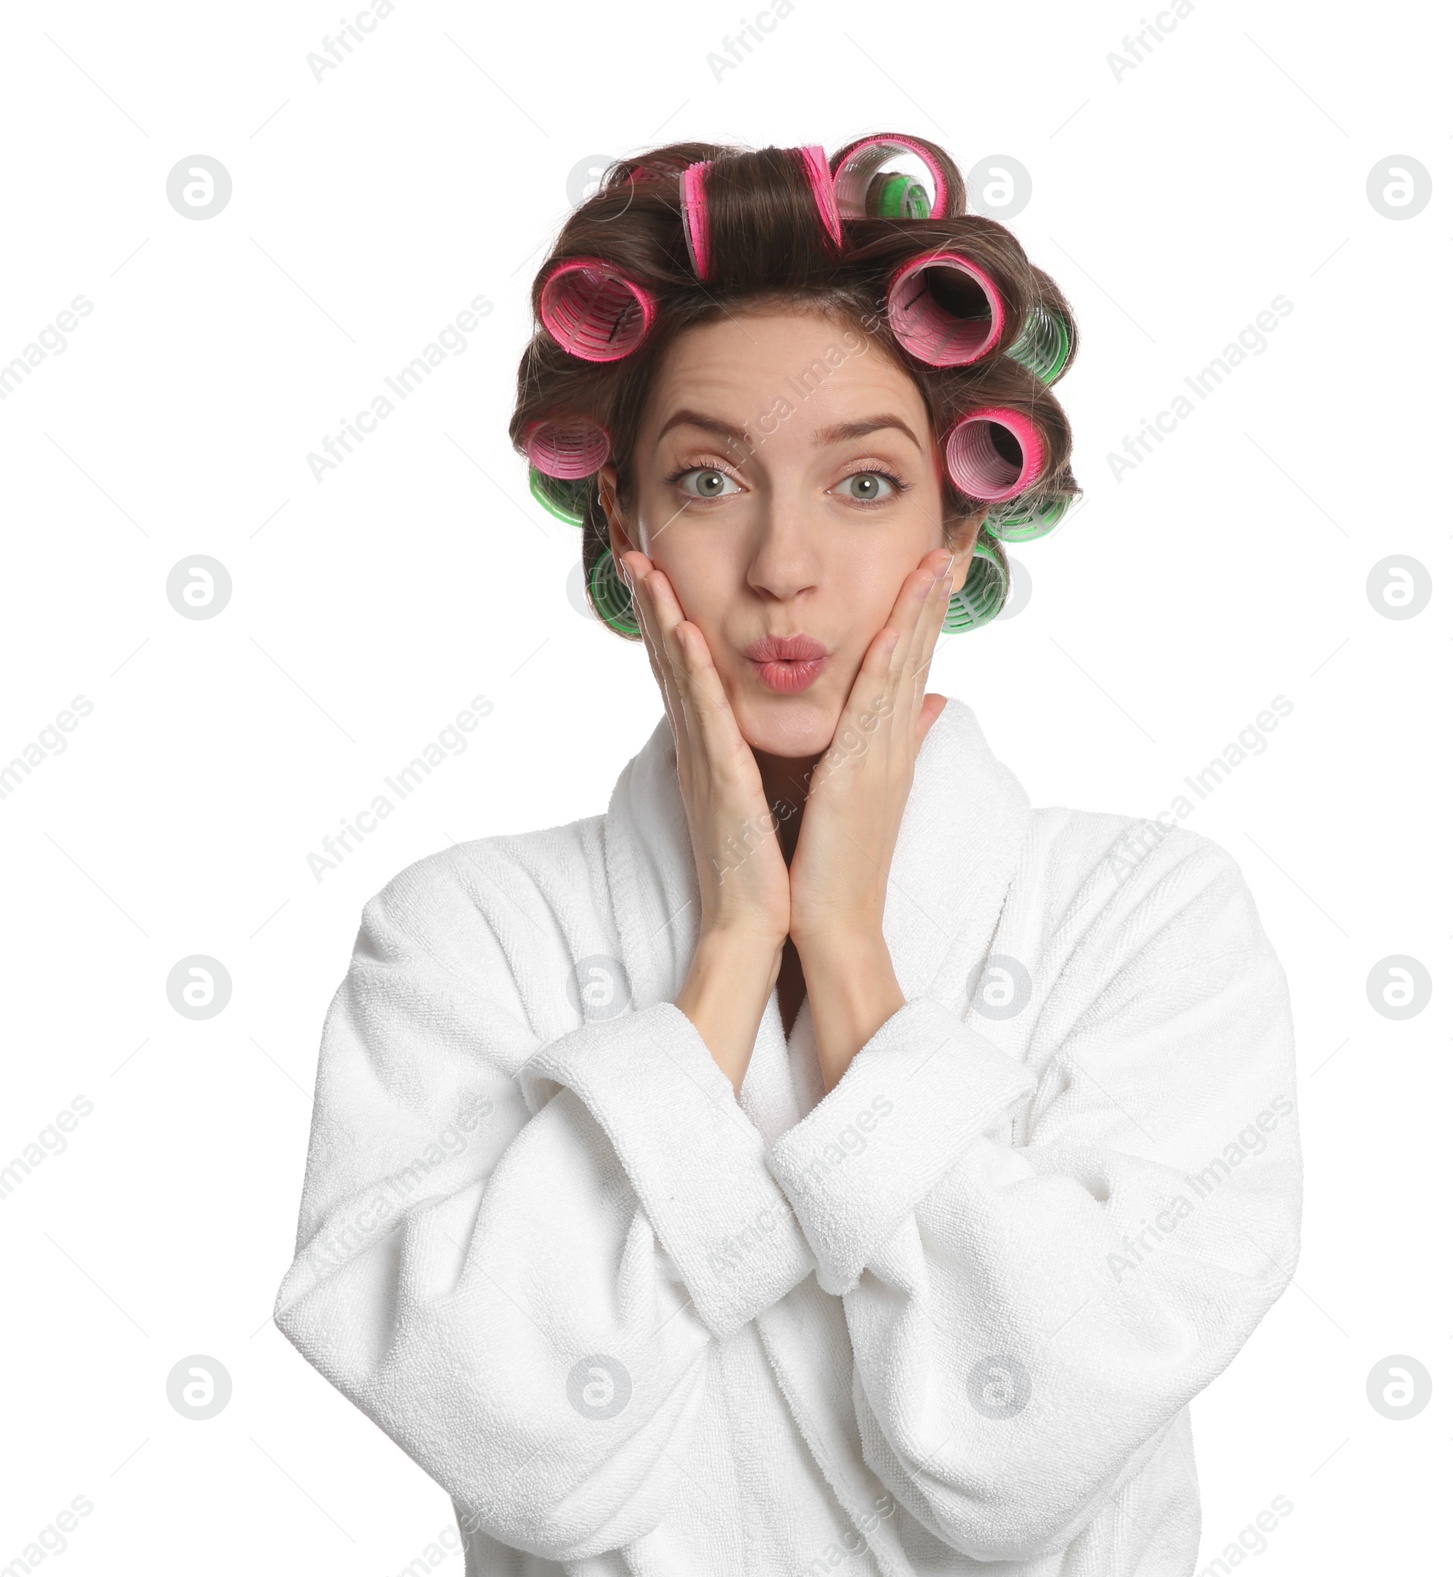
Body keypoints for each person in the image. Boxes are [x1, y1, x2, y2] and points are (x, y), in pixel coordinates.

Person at [274, 135, 1303, 1576]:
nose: (781, 568)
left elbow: (1029, 1451)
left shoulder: (1145, 918)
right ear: (622, 519)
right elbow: (517, 1442)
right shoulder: (458, 932)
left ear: (962, 518)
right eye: (708, 480)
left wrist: (852, 956)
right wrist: (727, 954)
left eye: (866, 486)